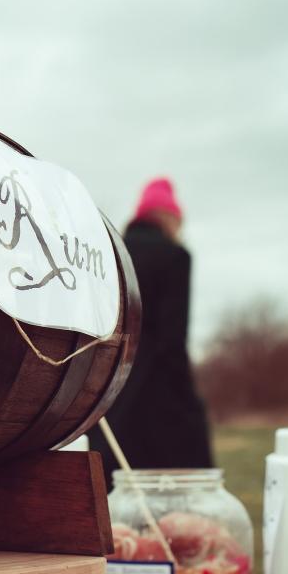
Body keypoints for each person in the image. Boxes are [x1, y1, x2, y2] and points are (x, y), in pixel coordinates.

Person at [92, 177, 213, 479]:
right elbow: (172, 339)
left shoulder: (112, 251)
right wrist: (187, 400)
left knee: (113, 482)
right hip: (157, 388)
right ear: (171, 219)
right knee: (174, 481)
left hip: (109, 384)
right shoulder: (174, 256)